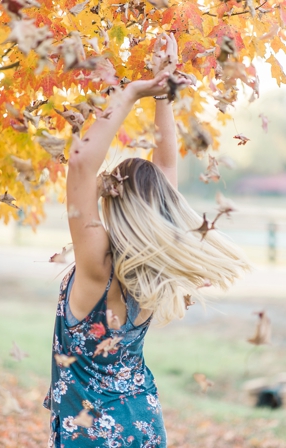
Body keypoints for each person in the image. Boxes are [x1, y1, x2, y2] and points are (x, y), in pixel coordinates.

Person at [44, 33, 249, 446]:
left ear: (119, 202)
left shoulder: (98, 264)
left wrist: (135, 91)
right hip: (143, 423)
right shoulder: (155, 260)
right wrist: (164, 91)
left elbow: (82, 164)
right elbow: (166, 164)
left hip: (94, 436)